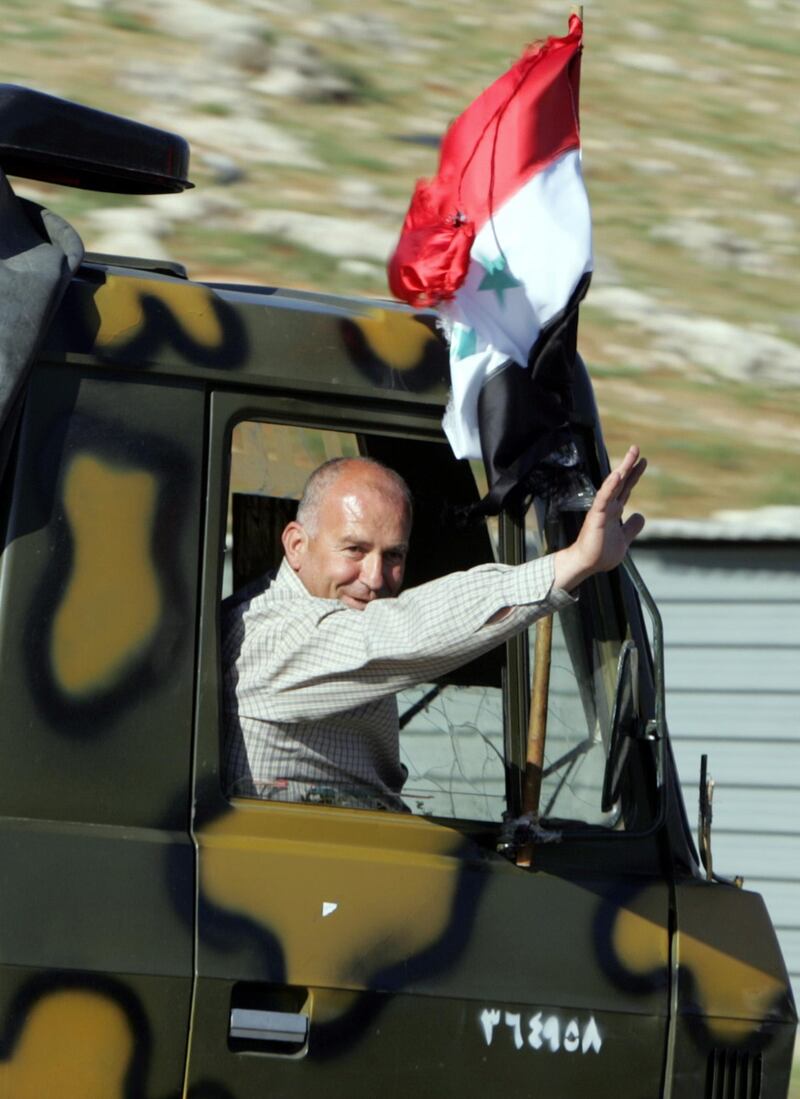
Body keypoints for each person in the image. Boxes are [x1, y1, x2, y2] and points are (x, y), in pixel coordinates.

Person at [222, 447, 646, 810]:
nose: (375, 578)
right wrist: (573, 562)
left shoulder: (319, 616)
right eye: (354, 549)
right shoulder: (265, 637)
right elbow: (404, 631)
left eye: (393, 556)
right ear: (297, 545)